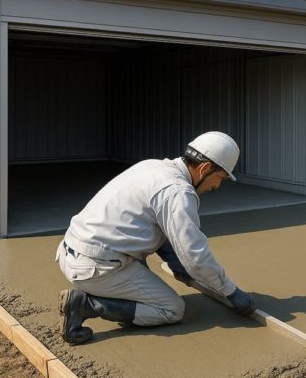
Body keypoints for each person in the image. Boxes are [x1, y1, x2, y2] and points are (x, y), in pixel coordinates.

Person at [56, 131, 255, 345]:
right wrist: (230, 292)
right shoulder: (177, 192)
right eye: (220, 178)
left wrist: (176, 261)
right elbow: (196, 256)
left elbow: (154, 224)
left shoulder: (153, 167)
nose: (217, 186)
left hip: (74, 251)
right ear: (205, 168)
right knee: (172, 309)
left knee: (148, 281)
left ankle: (117, 300)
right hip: (95, 268)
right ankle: (86, 305)